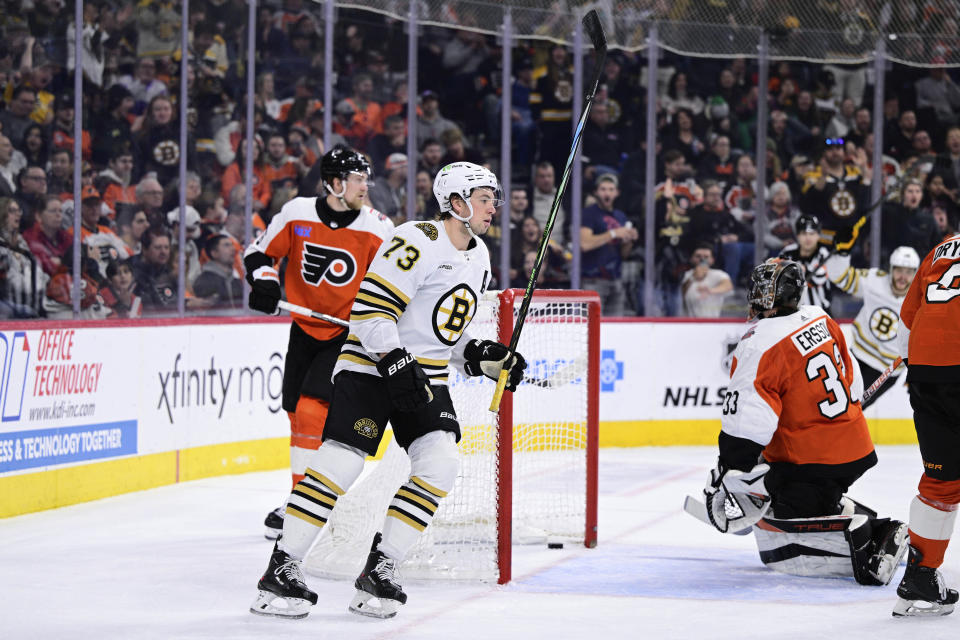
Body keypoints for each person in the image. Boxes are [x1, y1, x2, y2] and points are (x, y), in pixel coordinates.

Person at [249, 161, 526, 620]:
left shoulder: (478, 257)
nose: (492, 206)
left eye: (493, 198)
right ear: (455, 203)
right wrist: (396, 362)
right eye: (483, 197)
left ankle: (379, 570)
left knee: (440, 465)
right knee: (341, 463)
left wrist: (482, 355)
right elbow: (371, 312)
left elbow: (445, 336)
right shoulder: (415, 239)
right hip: (368, 367)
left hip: (425, 374)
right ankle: (280, 570)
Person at [701, 258, 907, 587]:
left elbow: (746, 427)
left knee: (777, 517)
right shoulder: (820, 317)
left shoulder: (759, 343)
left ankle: (872, 540)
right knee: (810, 496)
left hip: (809, 458)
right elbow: (854, 385)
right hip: (855, 447)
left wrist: (728, 474)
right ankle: (859, 520)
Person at [243, 145, 394, 540]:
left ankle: (301, 504)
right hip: (304, 328)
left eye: (366, 177)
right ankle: (309, 495)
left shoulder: (379, 228)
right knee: (294, 410)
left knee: (312, 410)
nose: (366, 185)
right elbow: (259, 253)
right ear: (334, 183)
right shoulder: (297, 213)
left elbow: (396, 283)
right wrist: (264, 281)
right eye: (358, 178)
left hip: (346, 334)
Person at [890, 232, 960, 616]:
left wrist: (914, 365)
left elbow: (907, 320)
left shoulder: (940, 249)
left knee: (941, 480)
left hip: (926, 370)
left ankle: (921, 575)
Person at [825, 246, 920, 408]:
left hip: (887, 371)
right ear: (891, 269)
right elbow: (840, 277)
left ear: (915, 274)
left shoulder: (921, 300)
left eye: (909, 272)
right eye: (899, 270)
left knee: (851, 411)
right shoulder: (874, 280)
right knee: (831, 403)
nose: (903, 277)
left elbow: (925, 338)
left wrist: (917, 373)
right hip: (858, 357)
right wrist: (842, 254)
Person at [579, 174, 637, 316]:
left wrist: (630, 240)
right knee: (591, 328)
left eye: (611, 189)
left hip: (616, 279)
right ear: (596, 192)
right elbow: (585, 244)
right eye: (603, 189)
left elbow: (624, 254)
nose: (607, 193)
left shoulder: (620, 216)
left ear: (617, 193)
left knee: (615, 329)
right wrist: (613, 233)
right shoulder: (588, 214)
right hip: (592, 280)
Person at [780, 214, 833, 311]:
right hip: (793, 314)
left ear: (818, 235)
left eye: (812, 233)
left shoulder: (823, 254)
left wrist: (796, 271)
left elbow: (819, 278)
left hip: (820, 314)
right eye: (804, 233)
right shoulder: (787, 253)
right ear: (798, 236)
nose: (808, 238)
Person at [681, 243, 732, 317]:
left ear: (712, 260)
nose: (702, 259)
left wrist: (710, 290)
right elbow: (679, 295)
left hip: (711, 324)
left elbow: (727, 285)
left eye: (706, 257)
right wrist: (692, 278)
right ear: (691, 258)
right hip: (688, 324)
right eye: (698, 256)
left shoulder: (719, 274)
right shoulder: (685, 275)